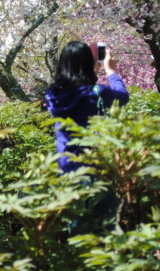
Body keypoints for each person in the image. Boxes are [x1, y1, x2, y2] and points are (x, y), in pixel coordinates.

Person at [46, 41, 129, 174]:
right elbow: (123, 97)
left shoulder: (53, 94)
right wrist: (110, 71)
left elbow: (75, 89)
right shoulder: (97, 93)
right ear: (89, 63)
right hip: (93, 164)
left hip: (66, 166)